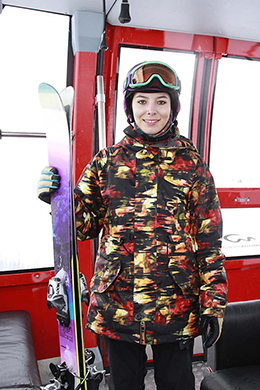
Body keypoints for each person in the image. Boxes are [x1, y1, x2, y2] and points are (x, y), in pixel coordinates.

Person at [38, 61, 228, 390]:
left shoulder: (192, 166)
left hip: (175, 305)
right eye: (142, 101)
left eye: (160, 101)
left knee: (177, 384)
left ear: (173, 107)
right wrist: (58, 198)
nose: (151, 111)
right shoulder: (107, 161)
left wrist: (214, 303)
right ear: (130, 107)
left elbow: (209, 241)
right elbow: (81, 226)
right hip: (117, 305)